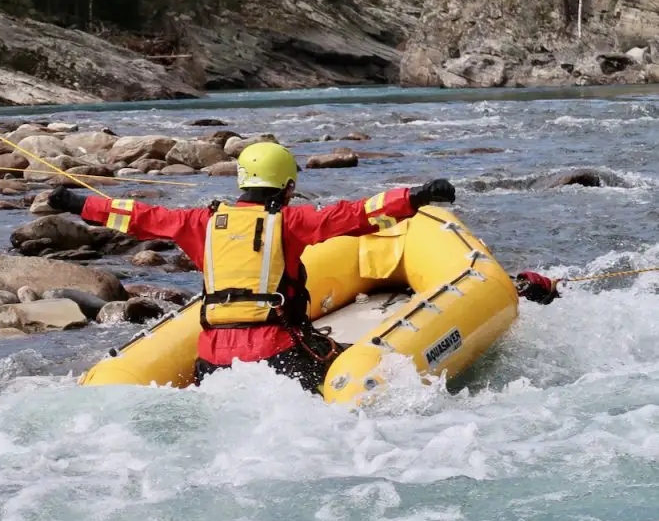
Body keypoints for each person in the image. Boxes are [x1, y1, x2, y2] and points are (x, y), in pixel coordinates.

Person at [48, 142, 456, 393]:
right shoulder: (290, 222)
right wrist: (416, 196)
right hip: (275, 352)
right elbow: (356, 215)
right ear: (289, 187)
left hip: (211, 358)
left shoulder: (199, 223)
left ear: (241, 181)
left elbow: (137, 216)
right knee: (348, 366)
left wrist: (76, 203)